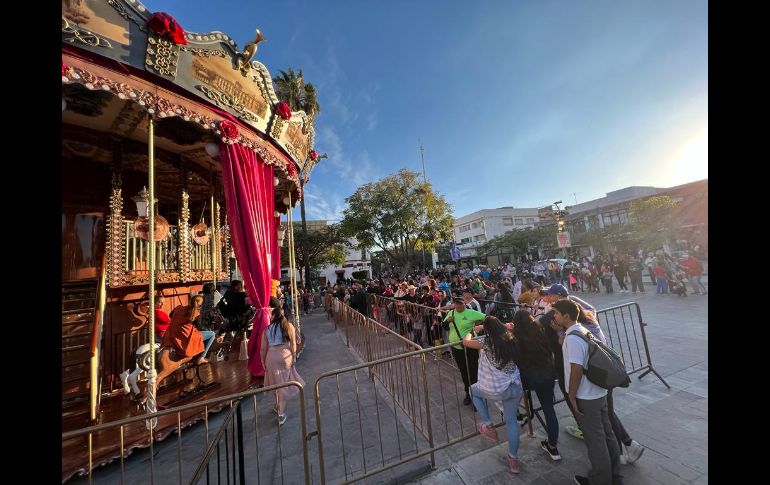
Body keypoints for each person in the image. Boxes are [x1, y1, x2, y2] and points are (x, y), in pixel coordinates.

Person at [552, 300, 622, 485]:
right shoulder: (581, 330)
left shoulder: (573, 338)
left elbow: (576, 369)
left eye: (557, 313)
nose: (554, 316)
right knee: (607, 434)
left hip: (586, 396)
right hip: (598, 392)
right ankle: (615, 475)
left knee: (595, 440)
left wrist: (571, 395)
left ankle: (600, 480)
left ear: (566, 316)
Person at [463, 316, 524, 474]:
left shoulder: (486, 342)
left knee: (473, 391)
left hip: (498, 388)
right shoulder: (511, 338)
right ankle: (513, 461)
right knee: (511, 423)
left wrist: (470, 330)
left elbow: (466, 341)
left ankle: (489, 426)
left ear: (487, 330)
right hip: (515, 386)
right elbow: (503, 327)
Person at [511, 310, 561, 461]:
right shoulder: (541, 332)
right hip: (547, 375)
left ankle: (520, 416)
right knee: (549, 410)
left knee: (512, 396)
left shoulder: (516, 338)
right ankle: (553, 446)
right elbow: (548, 315)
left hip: (529, 379)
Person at [261, 298, 304, 425]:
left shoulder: (267, 329)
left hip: (271, 356)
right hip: (285, 355)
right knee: (283, 383)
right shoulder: (288, 326)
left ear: (273, 316)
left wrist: (263, 361)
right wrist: (294, 356)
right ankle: (280, 412)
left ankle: (279, 407)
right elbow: (293, 343)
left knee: (275, 382)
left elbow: (263, 348)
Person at [443, 296, 486, 405]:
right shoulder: (451, 313)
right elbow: (444, 327)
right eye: (456, 303)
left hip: (470, 347)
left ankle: (477, 397)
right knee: (463, 371)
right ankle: (468, 393)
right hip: (457, 348)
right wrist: (447, 321)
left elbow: (487, 318)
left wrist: (479, 326)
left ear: (464, 304)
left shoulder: (470, 312)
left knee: (473, 371)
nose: (458, 305)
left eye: (460, 303)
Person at [163, 294, 222, 365]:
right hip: (187, 338)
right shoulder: (196, 314)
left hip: (174, 335)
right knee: (212, 334)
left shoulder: (178, 307)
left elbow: (170, 315)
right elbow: (200, 327)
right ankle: (202, 357)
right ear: (200, 306)